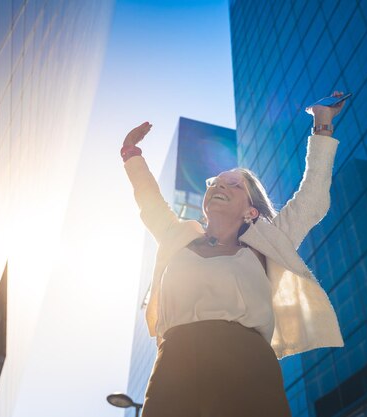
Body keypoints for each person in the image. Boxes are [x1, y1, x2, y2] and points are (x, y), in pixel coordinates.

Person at [121, 92, 348, 417]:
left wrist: (322, 123)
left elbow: (312, 198)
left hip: (247, 366)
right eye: (215, 183)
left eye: (233, 185)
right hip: (174, 365)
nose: (219, 187)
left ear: (251, 211)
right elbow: (149, 201)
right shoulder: (177, 236)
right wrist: (131, 154)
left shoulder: (266, 243)